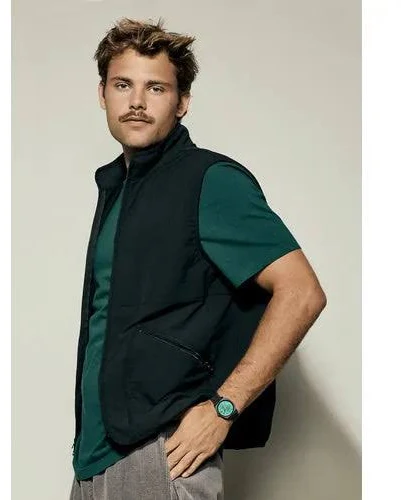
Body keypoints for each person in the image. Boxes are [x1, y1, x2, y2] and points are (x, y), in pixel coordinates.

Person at [69, 17, 327, 500]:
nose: (137, 101)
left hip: (160, 449)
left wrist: (224, 407)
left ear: (183, 101)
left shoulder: (210, 180)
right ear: (102, 93)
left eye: (156, 88)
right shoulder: (119, 187)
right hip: (94, 454)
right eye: (123, 85)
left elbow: (302, 292)